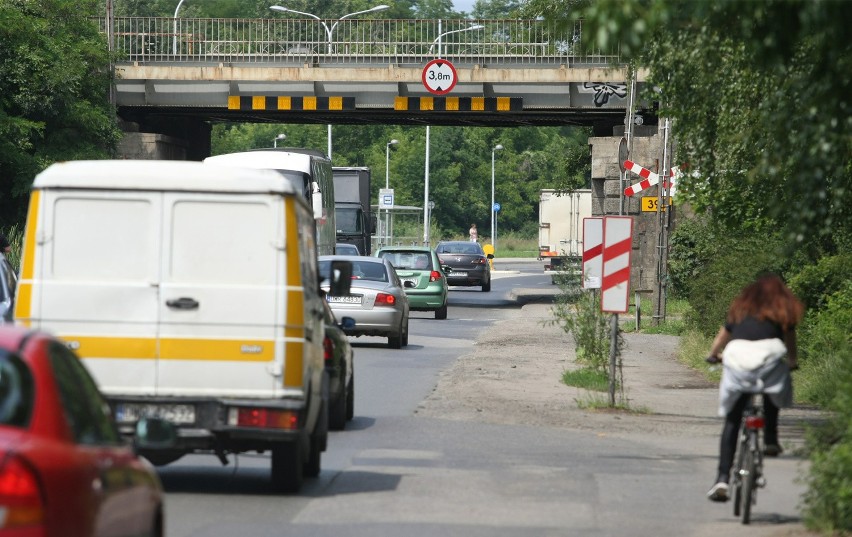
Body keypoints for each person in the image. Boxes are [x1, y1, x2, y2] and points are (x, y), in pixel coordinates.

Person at [705, 273, 804, 502]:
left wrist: (712, 355)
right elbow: (790, 342)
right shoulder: (782, 312)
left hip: (738, 356)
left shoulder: (741, 309)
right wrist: (792, 362)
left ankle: (722, 478)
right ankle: (770, 437)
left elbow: (723, 336)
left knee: (732, 420)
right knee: (773, 384)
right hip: (769, 354)